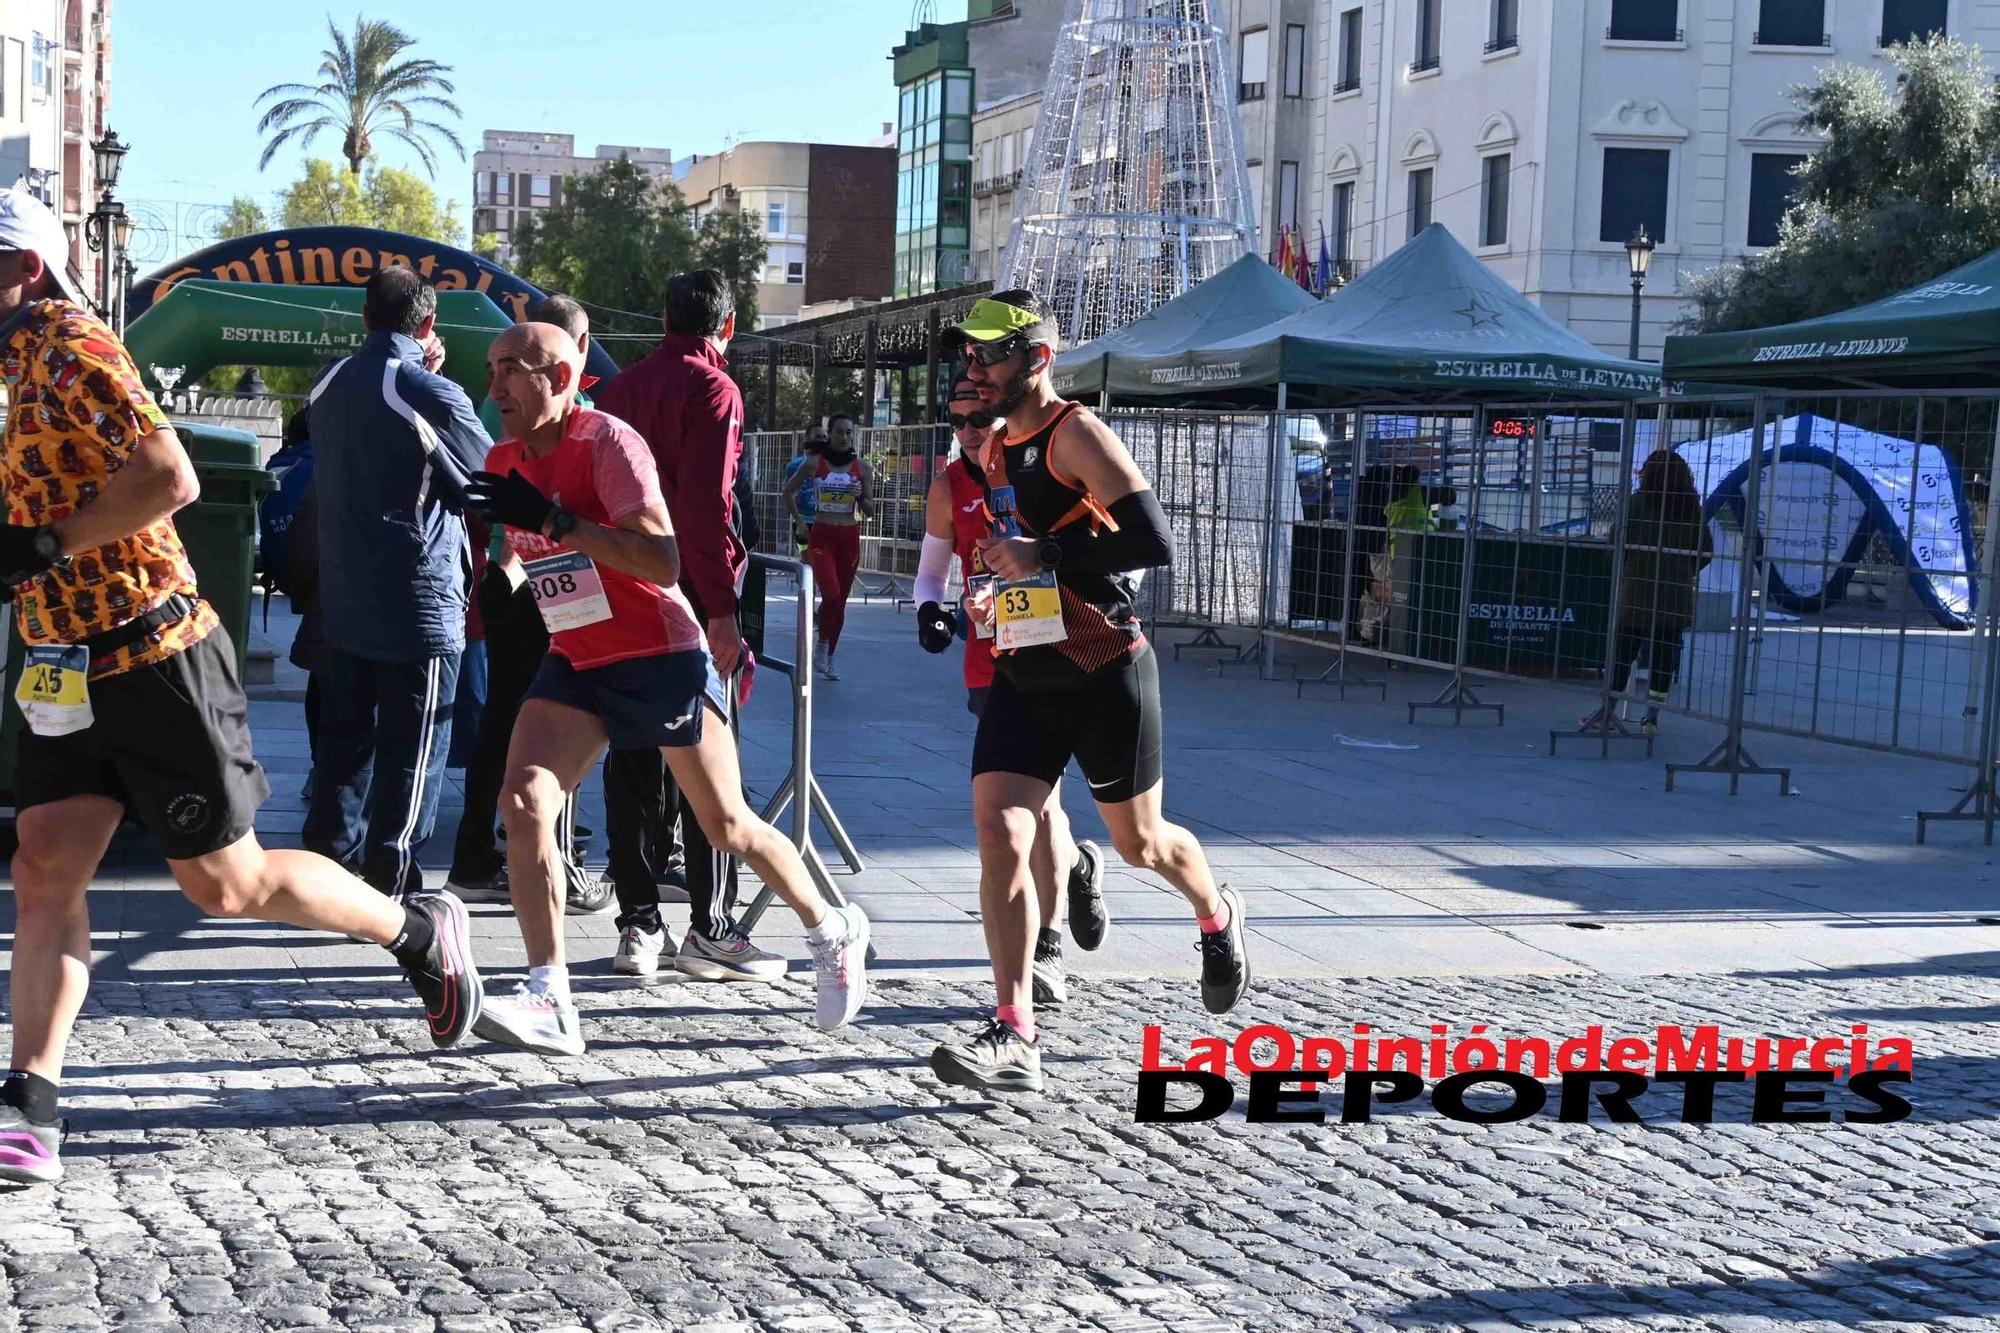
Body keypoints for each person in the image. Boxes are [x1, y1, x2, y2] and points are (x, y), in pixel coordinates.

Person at [0, 187, 483, 1186]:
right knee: (45, 867)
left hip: (153, 652)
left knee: (226, 886)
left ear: (27, 271)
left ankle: (415, 928)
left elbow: (170, 478)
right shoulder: (8, 363)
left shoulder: (70, 345)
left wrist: (49, 542)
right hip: (60, 661)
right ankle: (30, 1103)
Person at [462, 323, 870, 1055]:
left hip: (660, 650)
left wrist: (557, 520)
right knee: (522, 799)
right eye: (489, 369)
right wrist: (492, 562)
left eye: (509, 371)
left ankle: (831, 927)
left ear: (558, 377)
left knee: (726, 826)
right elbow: (522, 559)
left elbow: (661, 558)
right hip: (579, 656)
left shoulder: (609, 444)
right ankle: (548, 992)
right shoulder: (503, 456)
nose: (493, 388)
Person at [930, 290, 1250, 1094]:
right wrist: (991, 591)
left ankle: (1216, 911)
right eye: (968, 356)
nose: (975, 369)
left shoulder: (1075, 432)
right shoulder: (996, 447)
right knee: (1001, 828)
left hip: (1105, 667)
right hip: (1027, 668)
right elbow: (1019, 556)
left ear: (1035, 361)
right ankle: (1014, 1031)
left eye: (989, 356)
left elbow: (1152, 539)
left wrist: (1041, 553)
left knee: (1142, 845)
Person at [593, 270, 771, 983]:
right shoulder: (714, 389)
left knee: (632, 749)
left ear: (664, 315)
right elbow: (705, 505)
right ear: (726, 327)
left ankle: (637, 920)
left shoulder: (618, 389)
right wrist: (724, 610)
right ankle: (711, 924)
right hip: (691, 592)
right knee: (708, 753)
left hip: (620, 584)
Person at [914, 378, 1106, 1009]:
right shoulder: (949, 486)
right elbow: (931, 572)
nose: (971, 431)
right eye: (959, 420)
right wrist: (931, 613)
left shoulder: (1042, 464)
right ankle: (1067, 883)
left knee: (1042, 805)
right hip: (991, 659)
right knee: (1033, 807)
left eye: (980, 417)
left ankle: (1046, 940)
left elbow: (1109, 537)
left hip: (1063, 649)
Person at [303, 266, 490, 900]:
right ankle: (393, 880)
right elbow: (485, 477)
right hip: (419, 597)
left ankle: (326, 873)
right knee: (416, 747)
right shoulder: (424, 390)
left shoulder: (326, 381)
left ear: (364, 316)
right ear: (430, 324)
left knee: (344, 745)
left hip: (345, 593)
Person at [446, 293, 610, 915]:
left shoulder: (500, 409)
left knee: (506, 722)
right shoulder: (574, 415)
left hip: (508, 576)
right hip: (556, 584)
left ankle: (476, 855)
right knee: (561, 725)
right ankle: (553, 860)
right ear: (576, 350)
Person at [1607, 450, 1713, 735]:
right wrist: (1682, 570)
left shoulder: (1637, 503)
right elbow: (1705, 550)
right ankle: (1652, 718)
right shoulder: (1691, 507)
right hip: (1674, 592)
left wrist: (1631, 565)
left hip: (1637, 588)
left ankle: (1608, 710)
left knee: (1623, 651)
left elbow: (1616, 539)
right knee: (1665, 654)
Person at [785, 412, 875, 680]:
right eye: (839, 432)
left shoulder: (863, 467)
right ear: (830, 434)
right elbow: (787, 492)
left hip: (849, 537)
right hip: (822, 535)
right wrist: (800, 522)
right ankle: (822, 641)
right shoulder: (814, 464)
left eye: (849, 433)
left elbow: (870, 509)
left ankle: (828, 653)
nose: (844, 437)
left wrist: (861, 498)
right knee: (831, 595)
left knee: (841, 603)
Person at [784, 426, 826, 553]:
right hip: (804, 523)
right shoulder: (795, 466)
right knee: (807, 561)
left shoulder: (832, 464)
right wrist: (799, 521)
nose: (822, 440)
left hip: (825, 524)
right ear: (808, 439)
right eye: (818, 437)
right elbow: (787, 492)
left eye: (825, 437)